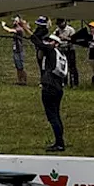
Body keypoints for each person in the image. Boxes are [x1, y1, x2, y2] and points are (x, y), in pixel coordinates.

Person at [31, 17, 68, 151]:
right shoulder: (61, 55)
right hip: (58, 86)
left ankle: (59, 143)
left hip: (49, 86)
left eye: (51, 41)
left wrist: (25, 27)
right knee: (56, 115)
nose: (48, 42)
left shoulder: (51, 51)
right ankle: (60, 140)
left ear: (56, 43)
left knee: (52, 116)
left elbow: (35, 40)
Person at [0, 17, 28, 85]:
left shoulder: (19, 29)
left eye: (15, 21)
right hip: (15, 49)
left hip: (19, 50)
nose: (13, 22)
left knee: (20, 67)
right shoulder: (17, 29)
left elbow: (9, 30)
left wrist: (3, 26)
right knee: (17, 67)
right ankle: (19, 80)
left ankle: (24, 80)